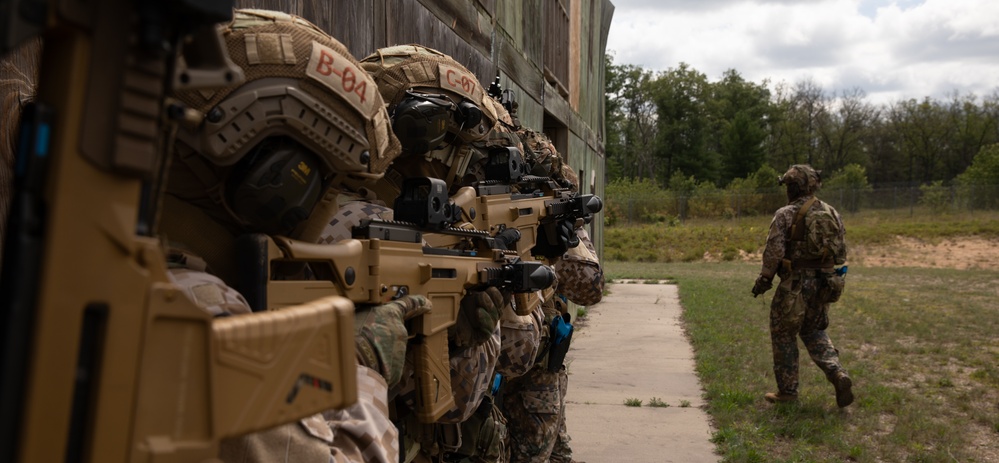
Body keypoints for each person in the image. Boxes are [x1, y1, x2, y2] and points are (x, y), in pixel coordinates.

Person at [160, 9, 413, 461]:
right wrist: (360, 367)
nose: (334, 207)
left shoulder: (120, 258)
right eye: (332, 186)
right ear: (277, 183)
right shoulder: (199, 311)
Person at [751, 164, 853, 408]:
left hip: (795, 285)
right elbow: (841, 251)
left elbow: (774, 251)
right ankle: (837, 373)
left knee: (784, 334)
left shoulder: (785, 214)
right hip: (825, 283)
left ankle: (787, 391)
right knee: (814, 330)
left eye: (788, 186)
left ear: (794, 187)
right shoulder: (832, 212)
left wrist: (764, 280)